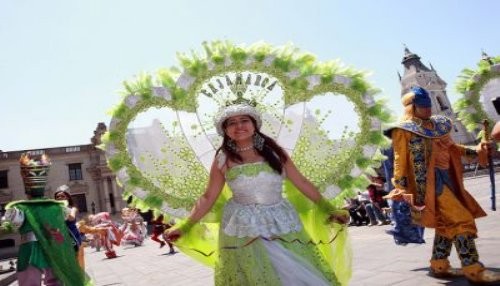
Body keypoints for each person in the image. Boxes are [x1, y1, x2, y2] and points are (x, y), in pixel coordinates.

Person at [165, 102, 351, 285]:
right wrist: (185, 226)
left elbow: (301, 182)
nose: (239, 126)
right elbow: (208, 197)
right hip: (242, 225)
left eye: (244, 120)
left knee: (294, 271)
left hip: (281, 221)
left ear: (255, 124)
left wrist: (329, 209)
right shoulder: (223, 157)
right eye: (231, 123)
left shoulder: (276, 153)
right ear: (225, 130)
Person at [384, 86, 500, 283]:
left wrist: (479, 149)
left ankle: (439, 264)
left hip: (450, 178)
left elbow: (454, 148)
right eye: (423, 106)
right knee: (461, 219)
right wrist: (400, 187)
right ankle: (473, 269)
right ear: (412, 107)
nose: (428, 109)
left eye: (429, 105)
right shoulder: (404, 131)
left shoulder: (439, 125)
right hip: (428, 185)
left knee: (445, 225)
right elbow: (399, 160)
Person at [0, 153, 86, 285]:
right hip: (53, 248)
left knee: (30, 281)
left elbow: (9, 226)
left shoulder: (19, 208)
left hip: (29, 250)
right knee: (56, 281)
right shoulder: (56, 207)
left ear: (26, 189)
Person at [54, 185, 84, 269]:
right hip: (61, 238)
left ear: (68, 197)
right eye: (57, 197)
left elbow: (71, 218)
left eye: (62, 196)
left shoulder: (73, 208)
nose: (60, 198)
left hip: (73, 237)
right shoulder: (55, 211)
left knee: (76, 262)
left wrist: (64, 209)